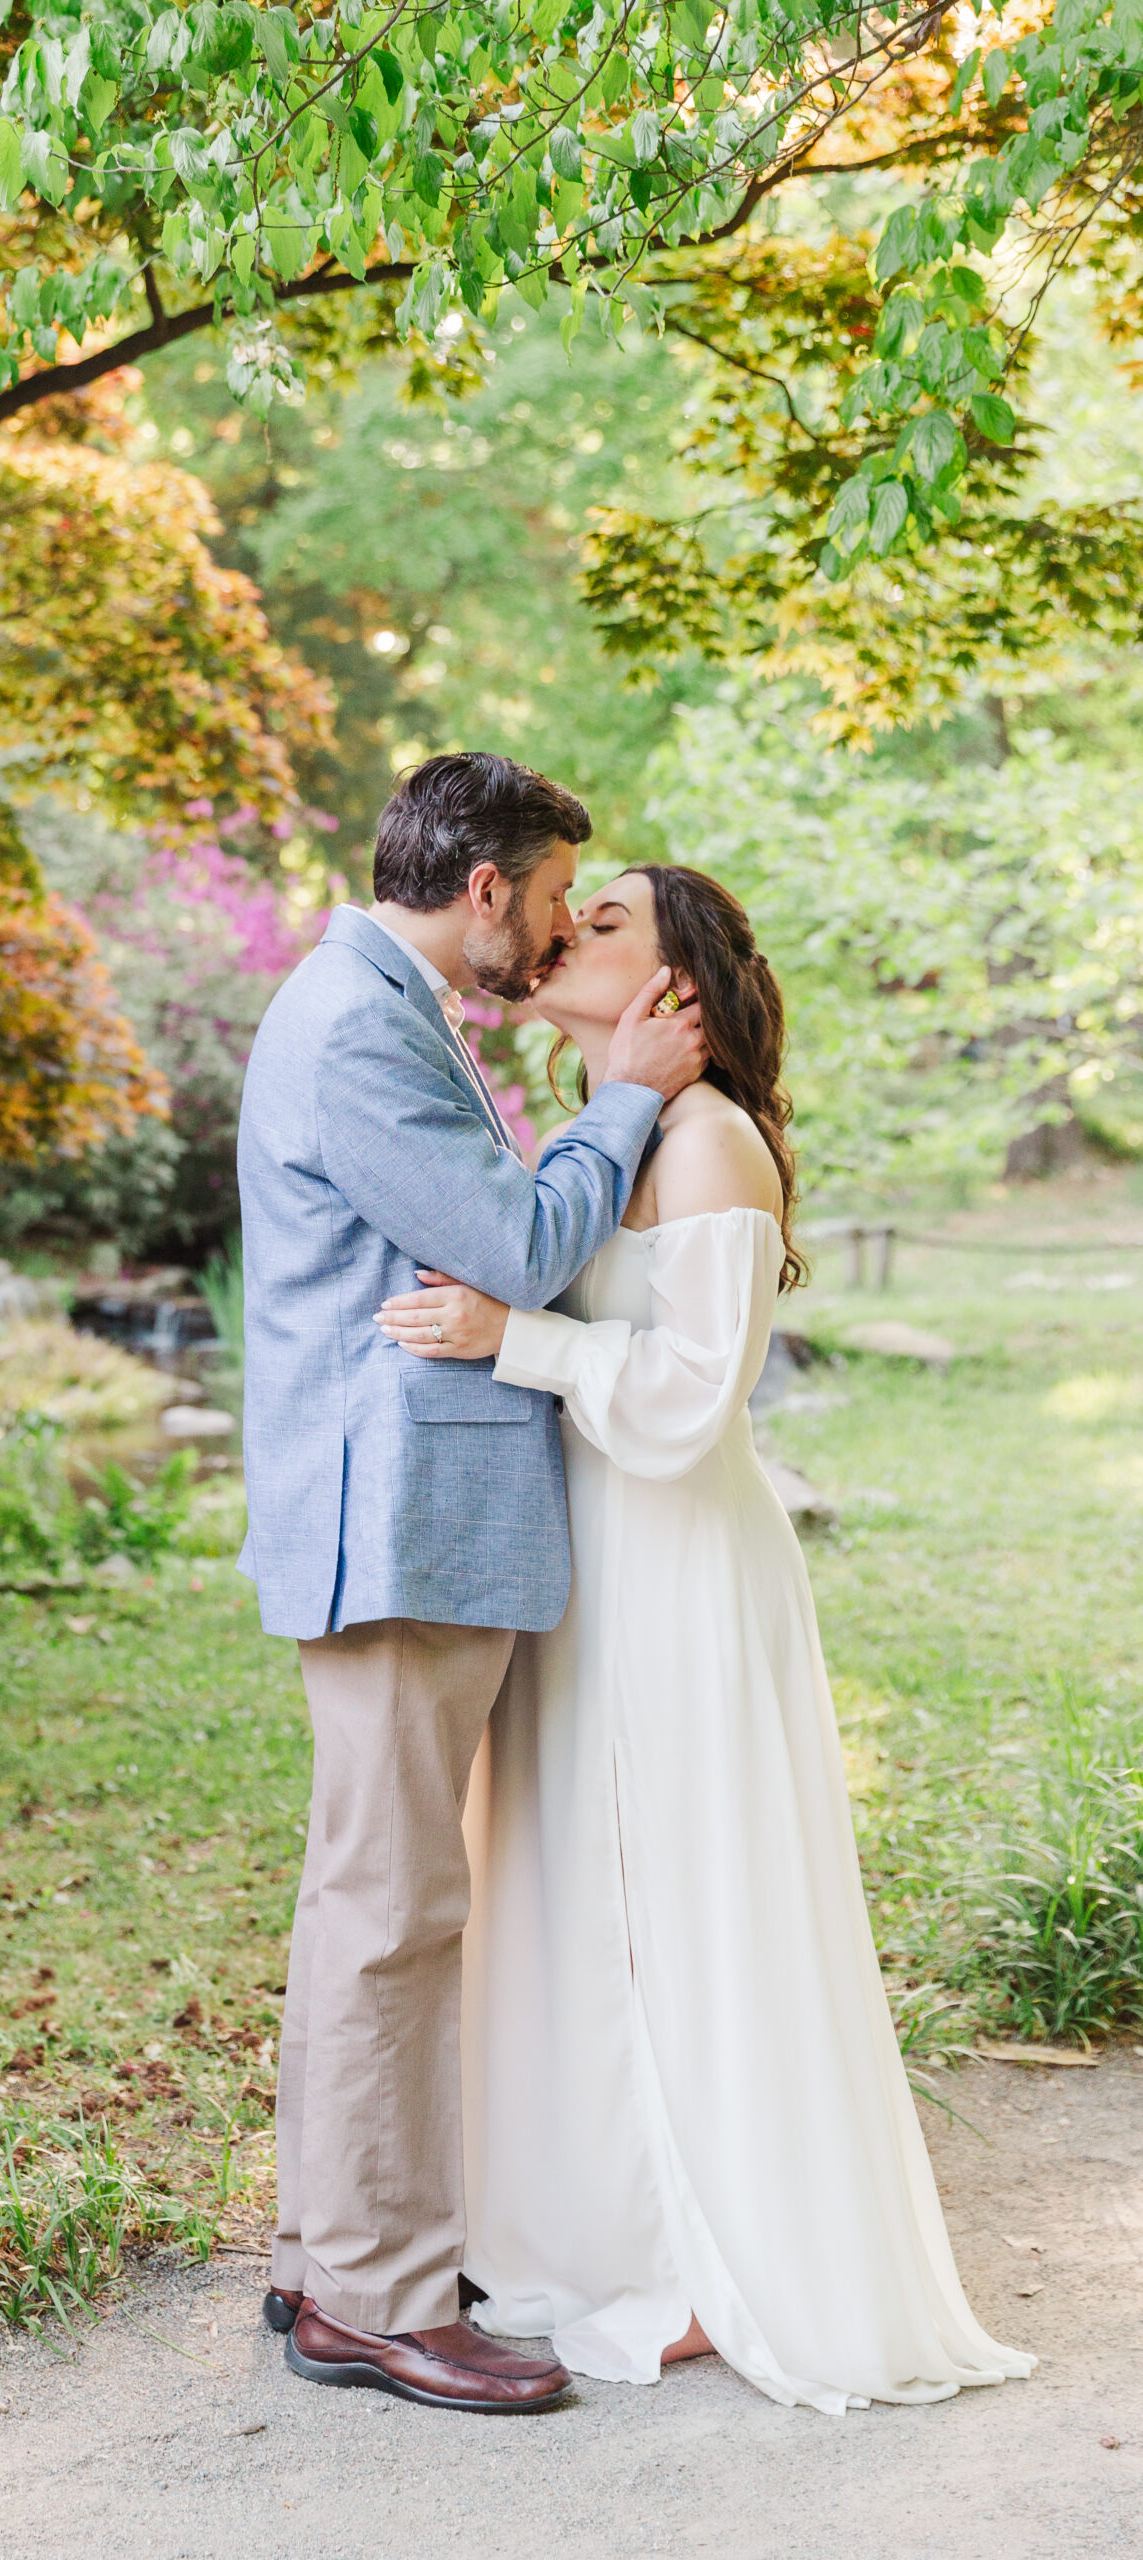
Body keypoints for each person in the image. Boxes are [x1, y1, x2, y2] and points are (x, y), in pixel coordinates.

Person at [376, 864, 1035, 2412]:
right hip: (589, 1562)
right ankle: (595, 2222)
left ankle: (708, 2248)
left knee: (684, 1889)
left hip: (676, 1561)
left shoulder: (712, 1140)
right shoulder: (614, 1138)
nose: (561, 933)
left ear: (679, 989)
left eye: (603, 923)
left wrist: (507, 1337)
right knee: (573, 1887)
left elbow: (685, 1403)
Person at [236, 755, 706, 2412]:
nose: (564, 924)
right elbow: (516, 1247)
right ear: (486, 886)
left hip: (406, 1515)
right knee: (394, 1914)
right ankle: (380, 2296)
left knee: (366, 1902)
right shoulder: (362, 1021)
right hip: (401, 1520)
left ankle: (325, 2264)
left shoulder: (385, 1001)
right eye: (556, 893)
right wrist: (631, 1093)